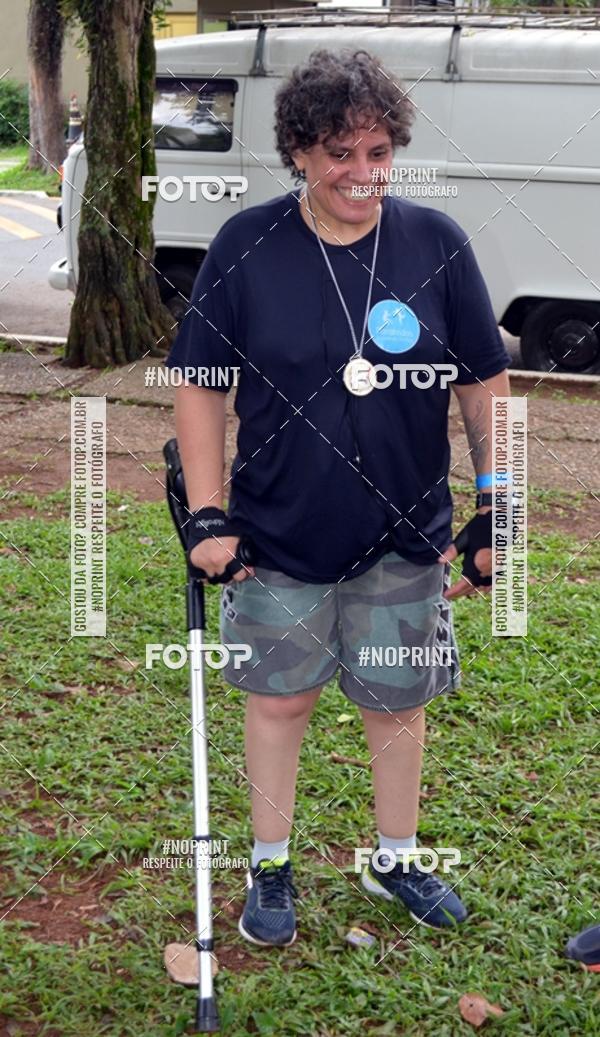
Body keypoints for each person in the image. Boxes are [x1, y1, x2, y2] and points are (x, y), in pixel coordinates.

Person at [166, 48, 511, 947]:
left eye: (378, 152)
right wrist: (207, 515)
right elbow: (200, 386)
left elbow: (483, 385)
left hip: (405, 534)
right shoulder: (247, 244)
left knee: (397, 706)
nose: (363, 174)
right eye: (339, 155)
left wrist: (496, 506)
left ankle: (395, 856)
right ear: (299, 155)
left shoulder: (435, 243)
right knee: (280, 702)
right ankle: (270, 864)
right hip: (279, 531)